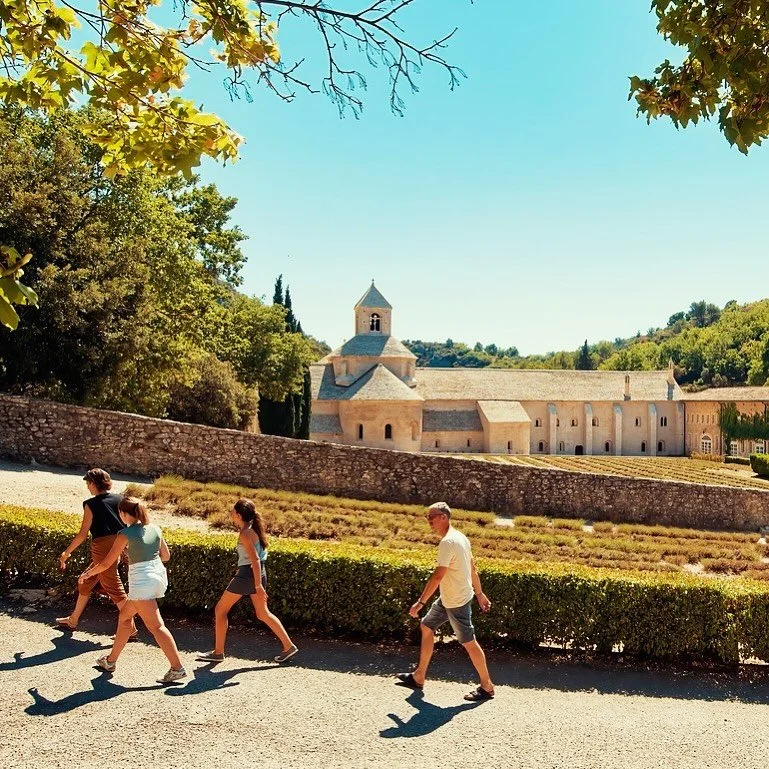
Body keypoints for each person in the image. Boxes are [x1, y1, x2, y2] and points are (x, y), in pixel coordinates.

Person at [79, 497, 187, 684]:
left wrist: (87, 574)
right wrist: (137, 554)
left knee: (157, 626)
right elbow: (166, 556)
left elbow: (106, 563)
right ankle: (110, 661)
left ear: (124, 513)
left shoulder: (125, 534)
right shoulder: (155, 528)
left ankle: (177, 668)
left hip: (141, 582)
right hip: (157, 577)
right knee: (125, 617)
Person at [396, 501, 495, 701]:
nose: (429, 521)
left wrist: (420, 603)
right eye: (428, 518)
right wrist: (479, 593)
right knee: (426, 626)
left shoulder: (448, 542)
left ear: (443, 517)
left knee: (468, 642)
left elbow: (438, 576)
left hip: (456, 600)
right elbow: (472, 567)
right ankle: (419, 676)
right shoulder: (460, 537)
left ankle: (487, 687)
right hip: (450, 596)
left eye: (431, 517)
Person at [197, 498, 298, 664]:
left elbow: (255, 560)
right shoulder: (254, 529)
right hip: (258, 574)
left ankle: (218, 652)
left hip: (247, 575)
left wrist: (258, 586)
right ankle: (289, 646)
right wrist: (259, 583)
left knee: (220, 610)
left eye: (232, 511)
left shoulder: (245, 533)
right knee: (263, 613)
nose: (230, 513)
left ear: (238, 514)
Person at [56, 468, 133, 635]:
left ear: (92, 483)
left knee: (113, 586)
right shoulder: (121, 499)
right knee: (85, 580)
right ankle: (73, 620)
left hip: (103, 547)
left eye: (88, 483)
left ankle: (131, 629)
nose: (87, 487)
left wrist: (66, 553)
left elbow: (83, 534)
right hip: (120, 544)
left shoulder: (90, 504)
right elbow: (128, 524)